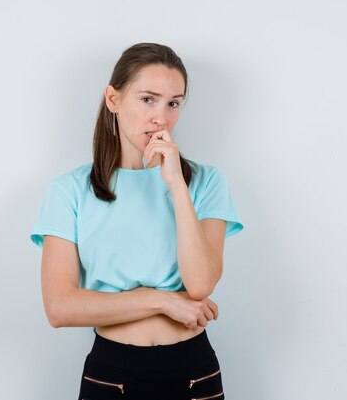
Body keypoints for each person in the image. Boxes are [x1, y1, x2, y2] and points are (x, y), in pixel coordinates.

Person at [29, 42, 244, 400]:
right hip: (112, 374)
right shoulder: (69, 190)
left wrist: (176, 184)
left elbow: (201, 283)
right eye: (148, 99)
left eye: (173, 103)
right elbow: (59, 307)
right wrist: (160, 300)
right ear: (113, 100)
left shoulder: (206, 182)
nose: (161, 116)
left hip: (194, 370)